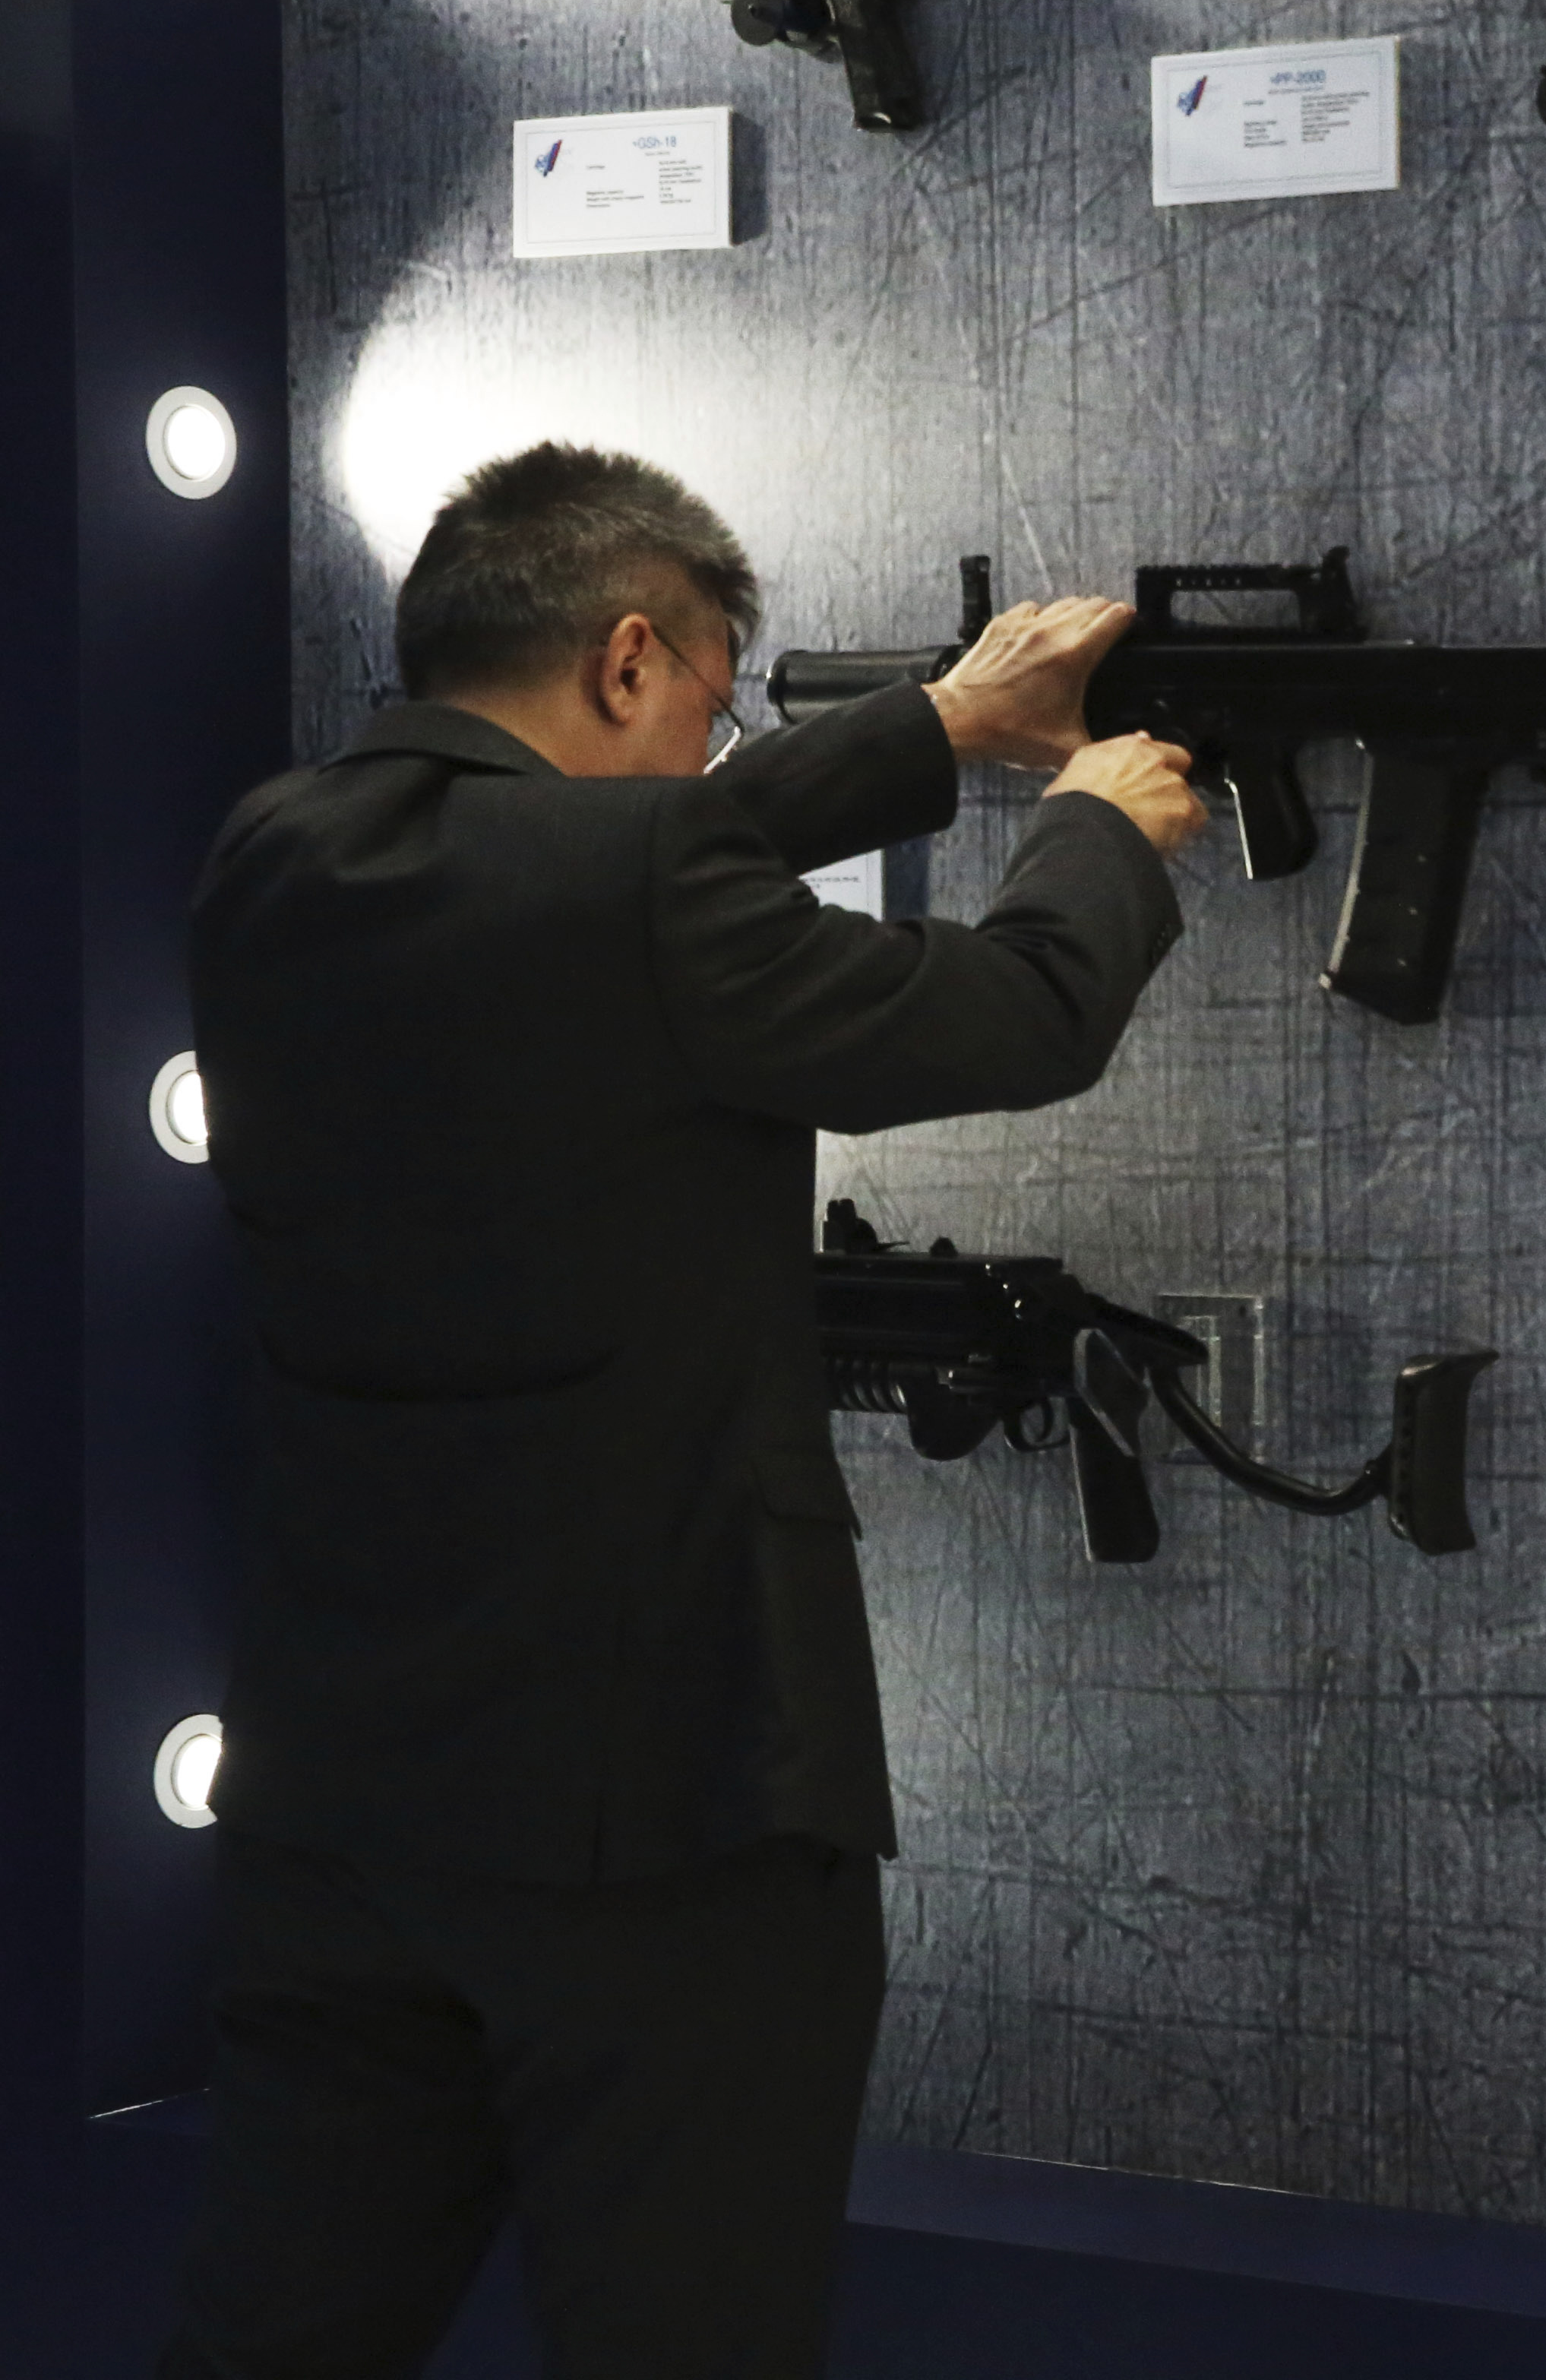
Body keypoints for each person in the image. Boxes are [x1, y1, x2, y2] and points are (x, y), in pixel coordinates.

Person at [161, 445, 1209, 2379]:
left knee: (275, 2342)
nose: (719, 751)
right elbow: (1021, 1012)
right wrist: (1097, 820)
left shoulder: (274, 854)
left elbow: (636, 853)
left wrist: (944, 724)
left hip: (340, 1799)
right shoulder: (640, 889)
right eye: (713, 702)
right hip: (669, 1813)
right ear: (631, 657)